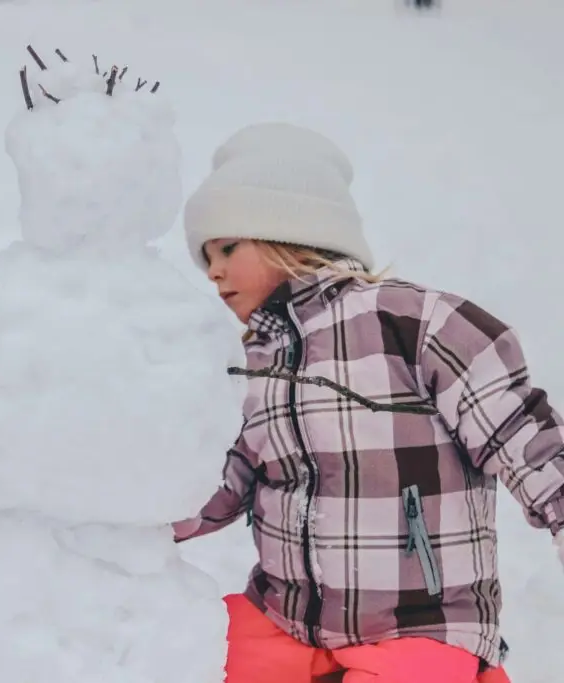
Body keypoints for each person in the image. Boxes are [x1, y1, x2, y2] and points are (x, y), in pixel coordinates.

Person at [175, 122, 563, 683]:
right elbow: (214, 484)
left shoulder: (412, 322)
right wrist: (103, 515)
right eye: (204, 257)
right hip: (286, 619)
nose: (211, 271)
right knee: (184, 650)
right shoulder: (245, 366)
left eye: (226, 247)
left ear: (287, 231)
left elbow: (518, 430)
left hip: (420, 622)